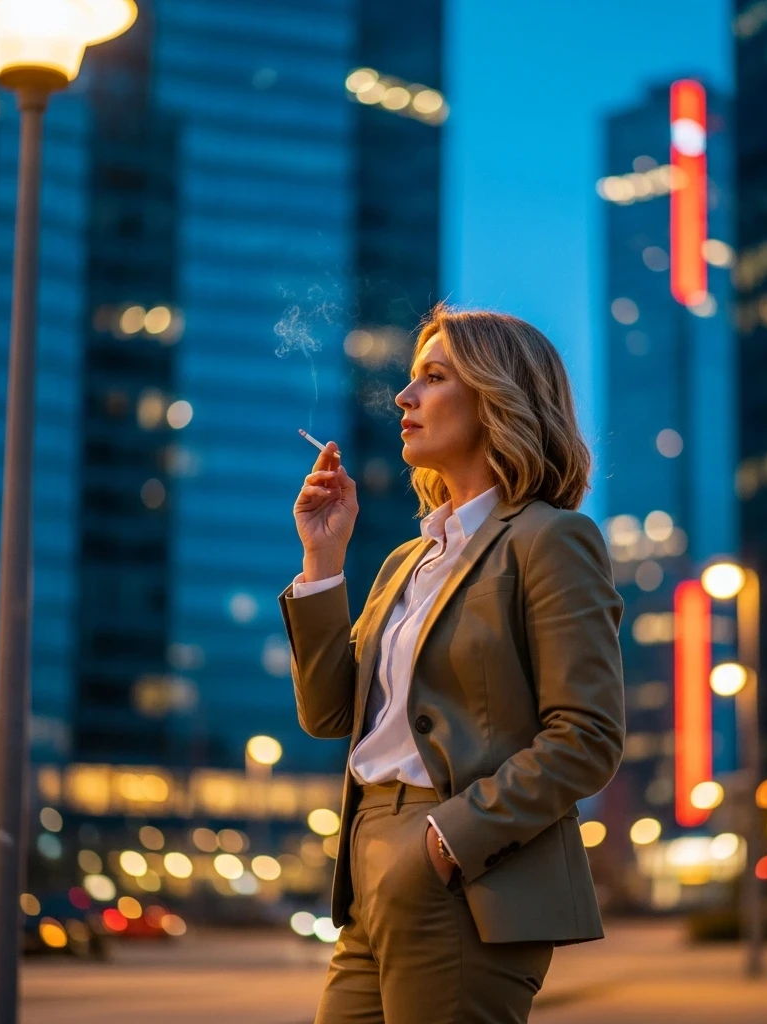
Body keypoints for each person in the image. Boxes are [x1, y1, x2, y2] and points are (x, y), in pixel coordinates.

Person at [278, 303, 626, 1024]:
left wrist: (446, 841)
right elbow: (329, 715)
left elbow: (587, 736)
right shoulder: (408, 561)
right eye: (411, 380)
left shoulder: (550, 539)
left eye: (433, 378)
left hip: (464, 864)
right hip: (367, 859)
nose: (404, 398)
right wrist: (323, 561)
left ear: (498, 397)